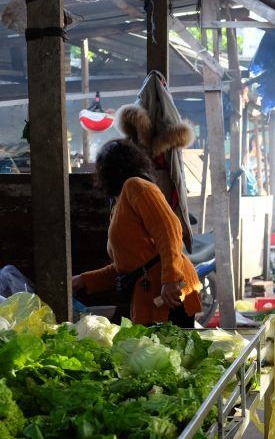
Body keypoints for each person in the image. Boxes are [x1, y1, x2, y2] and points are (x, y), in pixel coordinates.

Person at [71, 139, 200, 327]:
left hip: (170, 294)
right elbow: (126, 266)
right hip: (151, 295)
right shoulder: (120, 202)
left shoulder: (136, 186)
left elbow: (169, 229)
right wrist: (85, 280)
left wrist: (170, 280)